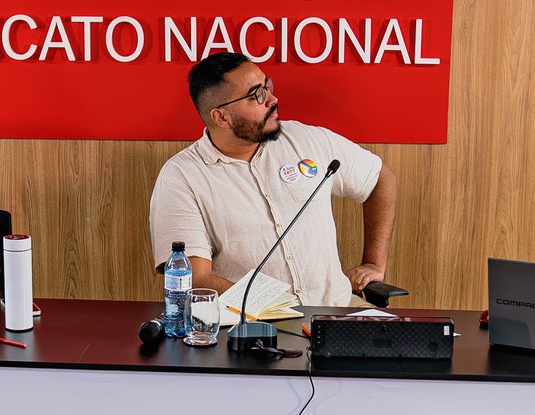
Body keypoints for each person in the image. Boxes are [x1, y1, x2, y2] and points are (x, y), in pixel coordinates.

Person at [149, 52, 397, 308]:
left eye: (267, 86)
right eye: (256, 95)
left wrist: (373, 263)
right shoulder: (181, 177)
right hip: (251, 320)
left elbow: (380, 178)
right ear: (221, 117)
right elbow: (196, 279)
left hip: (337, 309)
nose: (272, 99)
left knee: (403, 333)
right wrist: (277, 312)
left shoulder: (308, 140)